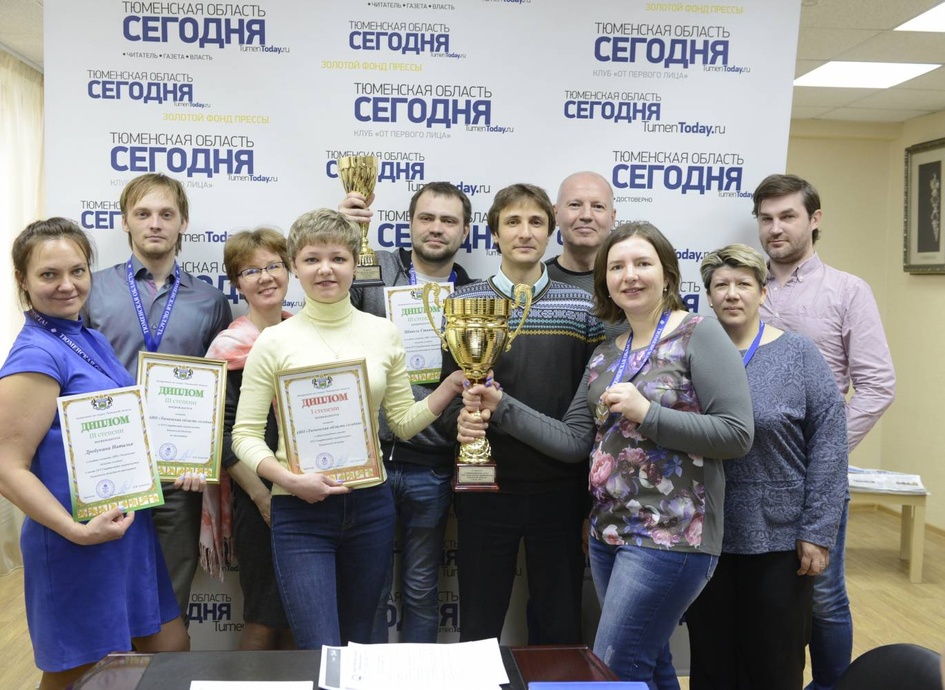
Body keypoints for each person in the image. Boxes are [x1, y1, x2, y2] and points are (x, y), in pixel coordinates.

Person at [459, 222, 754, 688]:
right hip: (607, 532)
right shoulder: (606, 353)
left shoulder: (699, 333)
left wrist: (648, 413)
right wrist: (502, 406)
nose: (629, 275)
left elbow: (736, 435)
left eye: (642, 263)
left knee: (617, 666)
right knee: (650, 665)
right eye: (617, 267)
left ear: (667, 274)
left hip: (672, 534)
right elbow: (574, 440)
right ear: (605, 282)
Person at [230, 209, 465, 649]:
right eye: (312, 259)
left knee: (359, 645)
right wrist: (288, 481)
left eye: (337, 258)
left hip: (371, 507)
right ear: (294, 267)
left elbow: (402, 422)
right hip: (299, 510)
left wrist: (447, 390)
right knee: (318, 648)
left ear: (355, 264)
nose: (326, 269)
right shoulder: (273, 341)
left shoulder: (383, 332)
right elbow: (243, 434)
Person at [0, 218, 188, 690]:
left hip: (123, 532)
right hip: (76, 542)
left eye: (77, 271)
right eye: (49, 274)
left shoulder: (86, 337)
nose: (67, 285)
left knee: (169, 649)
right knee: (80, 674)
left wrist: (179, 458)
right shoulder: (35, 356)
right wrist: (76, 531)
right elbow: (6, 467)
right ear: (23, 280)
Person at [439, 183, 605, 646]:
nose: (525, 232)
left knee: (559, 624)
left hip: (560, 488)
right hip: (484, 486)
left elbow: (591, 409)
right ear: (494, 233)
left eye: (536, 222)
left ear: (551, 232)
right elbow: (448, 393)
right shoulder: (462, 302)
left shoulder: (584, 306)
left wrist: (589, 501)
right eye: (512, 222)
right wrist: (459, 423)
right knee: (479, 623)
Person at [752, 174, 896, 690]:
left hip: (816, 475)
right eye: (766, 218)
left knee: (825, 595)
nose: (776, 228)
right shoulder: (742, 287)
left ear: (814, 220)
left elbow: (878, 386)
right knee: (765, 592)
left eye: (787, 216)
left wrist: (825, 452)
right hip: (747, 471)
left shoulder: (847, 291)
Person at [685, 244, 848, 690]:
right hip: (707, 536)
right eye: (721, 285)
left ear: (763, 291)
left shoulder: (799, 354)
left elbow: (830, 444)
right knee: (712, 660)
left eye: (743, 284)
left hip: (780, 539)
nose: (731, 294)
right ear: (708, 296)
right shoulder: (689, 353)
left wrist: (817, 531)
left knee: (774, 663)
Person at [84, 173, 232, 621]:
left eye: (166, 214)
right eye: (143, 213)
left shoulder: (210, 301)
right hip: (108, 466)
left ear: (183, 223)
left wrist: (202, 458)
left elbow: (218, 393)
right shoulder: (90, 290)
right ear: (124, 221)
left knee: (170, 598)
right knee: (104, 592)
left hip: (178, 473)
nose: (154, 224)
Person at [339, 182, 475, 643]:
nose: (436, 228)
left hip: (431, 466)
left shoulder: (474, 296)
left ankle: (420, 674)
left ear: (465, 231)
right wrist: (344, 234)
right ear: (410, 223)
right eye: (426, 218)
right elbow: (332, 311)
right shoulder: (372, 268)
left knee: (420, 588)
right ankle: (368, 675)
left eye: (448, 221)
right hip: (368, 463)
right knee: (369, 588)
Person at [204, 228, 294, 650]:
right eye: (251, 270)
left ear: (289, 271)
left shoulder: (305, 335)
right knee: (264, 616)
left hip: (307, 493)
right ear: (237, 283)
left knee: (299, 618)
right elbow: (219, 435)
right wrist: (262, 498)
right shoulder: (228, 348)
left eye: (274, 265)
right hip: (260, 501)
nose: (266, 277)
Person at [545, 171, 625, 339]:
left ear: (612, 217)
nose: (586, 216)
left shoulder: (633, 282)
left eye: (598, 206)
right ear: (556, 214)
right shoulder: (536, 282)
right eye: (575, 205)